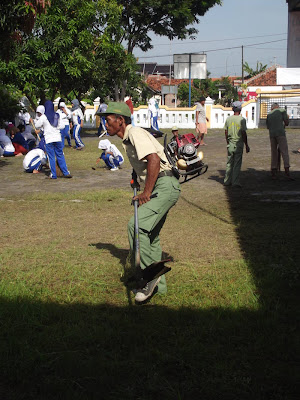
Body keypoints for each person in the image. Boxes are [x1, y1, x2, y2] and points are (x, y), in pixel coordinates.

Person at [97, 102, 181, 304]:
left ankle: (146, 279)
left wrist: (146, 192)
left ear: (121, 121)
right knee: (150, 235)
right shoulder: (128, 139)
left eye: (108, 120)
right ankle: (159, 288)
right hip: (163, 185)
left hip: (165, 185)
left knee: (137, 226)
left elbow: (153, 159)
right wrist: (138, 176)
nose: (105, 124)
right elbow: (146, 162)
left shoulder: (134, 133)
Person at [31, 101, 72, 179]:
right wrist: (55, 128)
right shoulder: (57, 115)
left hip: (49, 139)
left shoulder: (43, 117)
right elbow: (62, 126)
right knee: (60, 155)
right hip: (58, 138)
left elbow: (37, 125)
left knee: (51, 157)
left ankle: (53, 174)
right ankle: (66, 172)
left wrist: (46, 126)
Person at [223, 101, 250, 188]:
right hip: (238, 144)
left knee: (229, 163)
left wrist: (227, 141)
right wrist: (246, 145)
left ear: (232, 109)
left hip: (230, 143)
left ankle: (227, 180)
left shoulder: (228, 119)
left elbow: (226, 131)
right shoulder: (242, 120)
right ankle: (235, 181)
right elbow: (243, 133)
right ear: (240, 109)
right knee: (237, 163)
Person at [266, 103, 293, 180]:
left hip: (272, 134)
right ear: (277, 106)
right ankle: (287, 171)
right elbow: (286, 123)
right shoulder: (282, 111)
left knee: (274, 152)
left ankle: (273, 171)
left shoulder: (269, 114)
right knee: (284, 152)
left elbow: (268, 126)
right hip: (281, 133)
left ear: (272, 108)